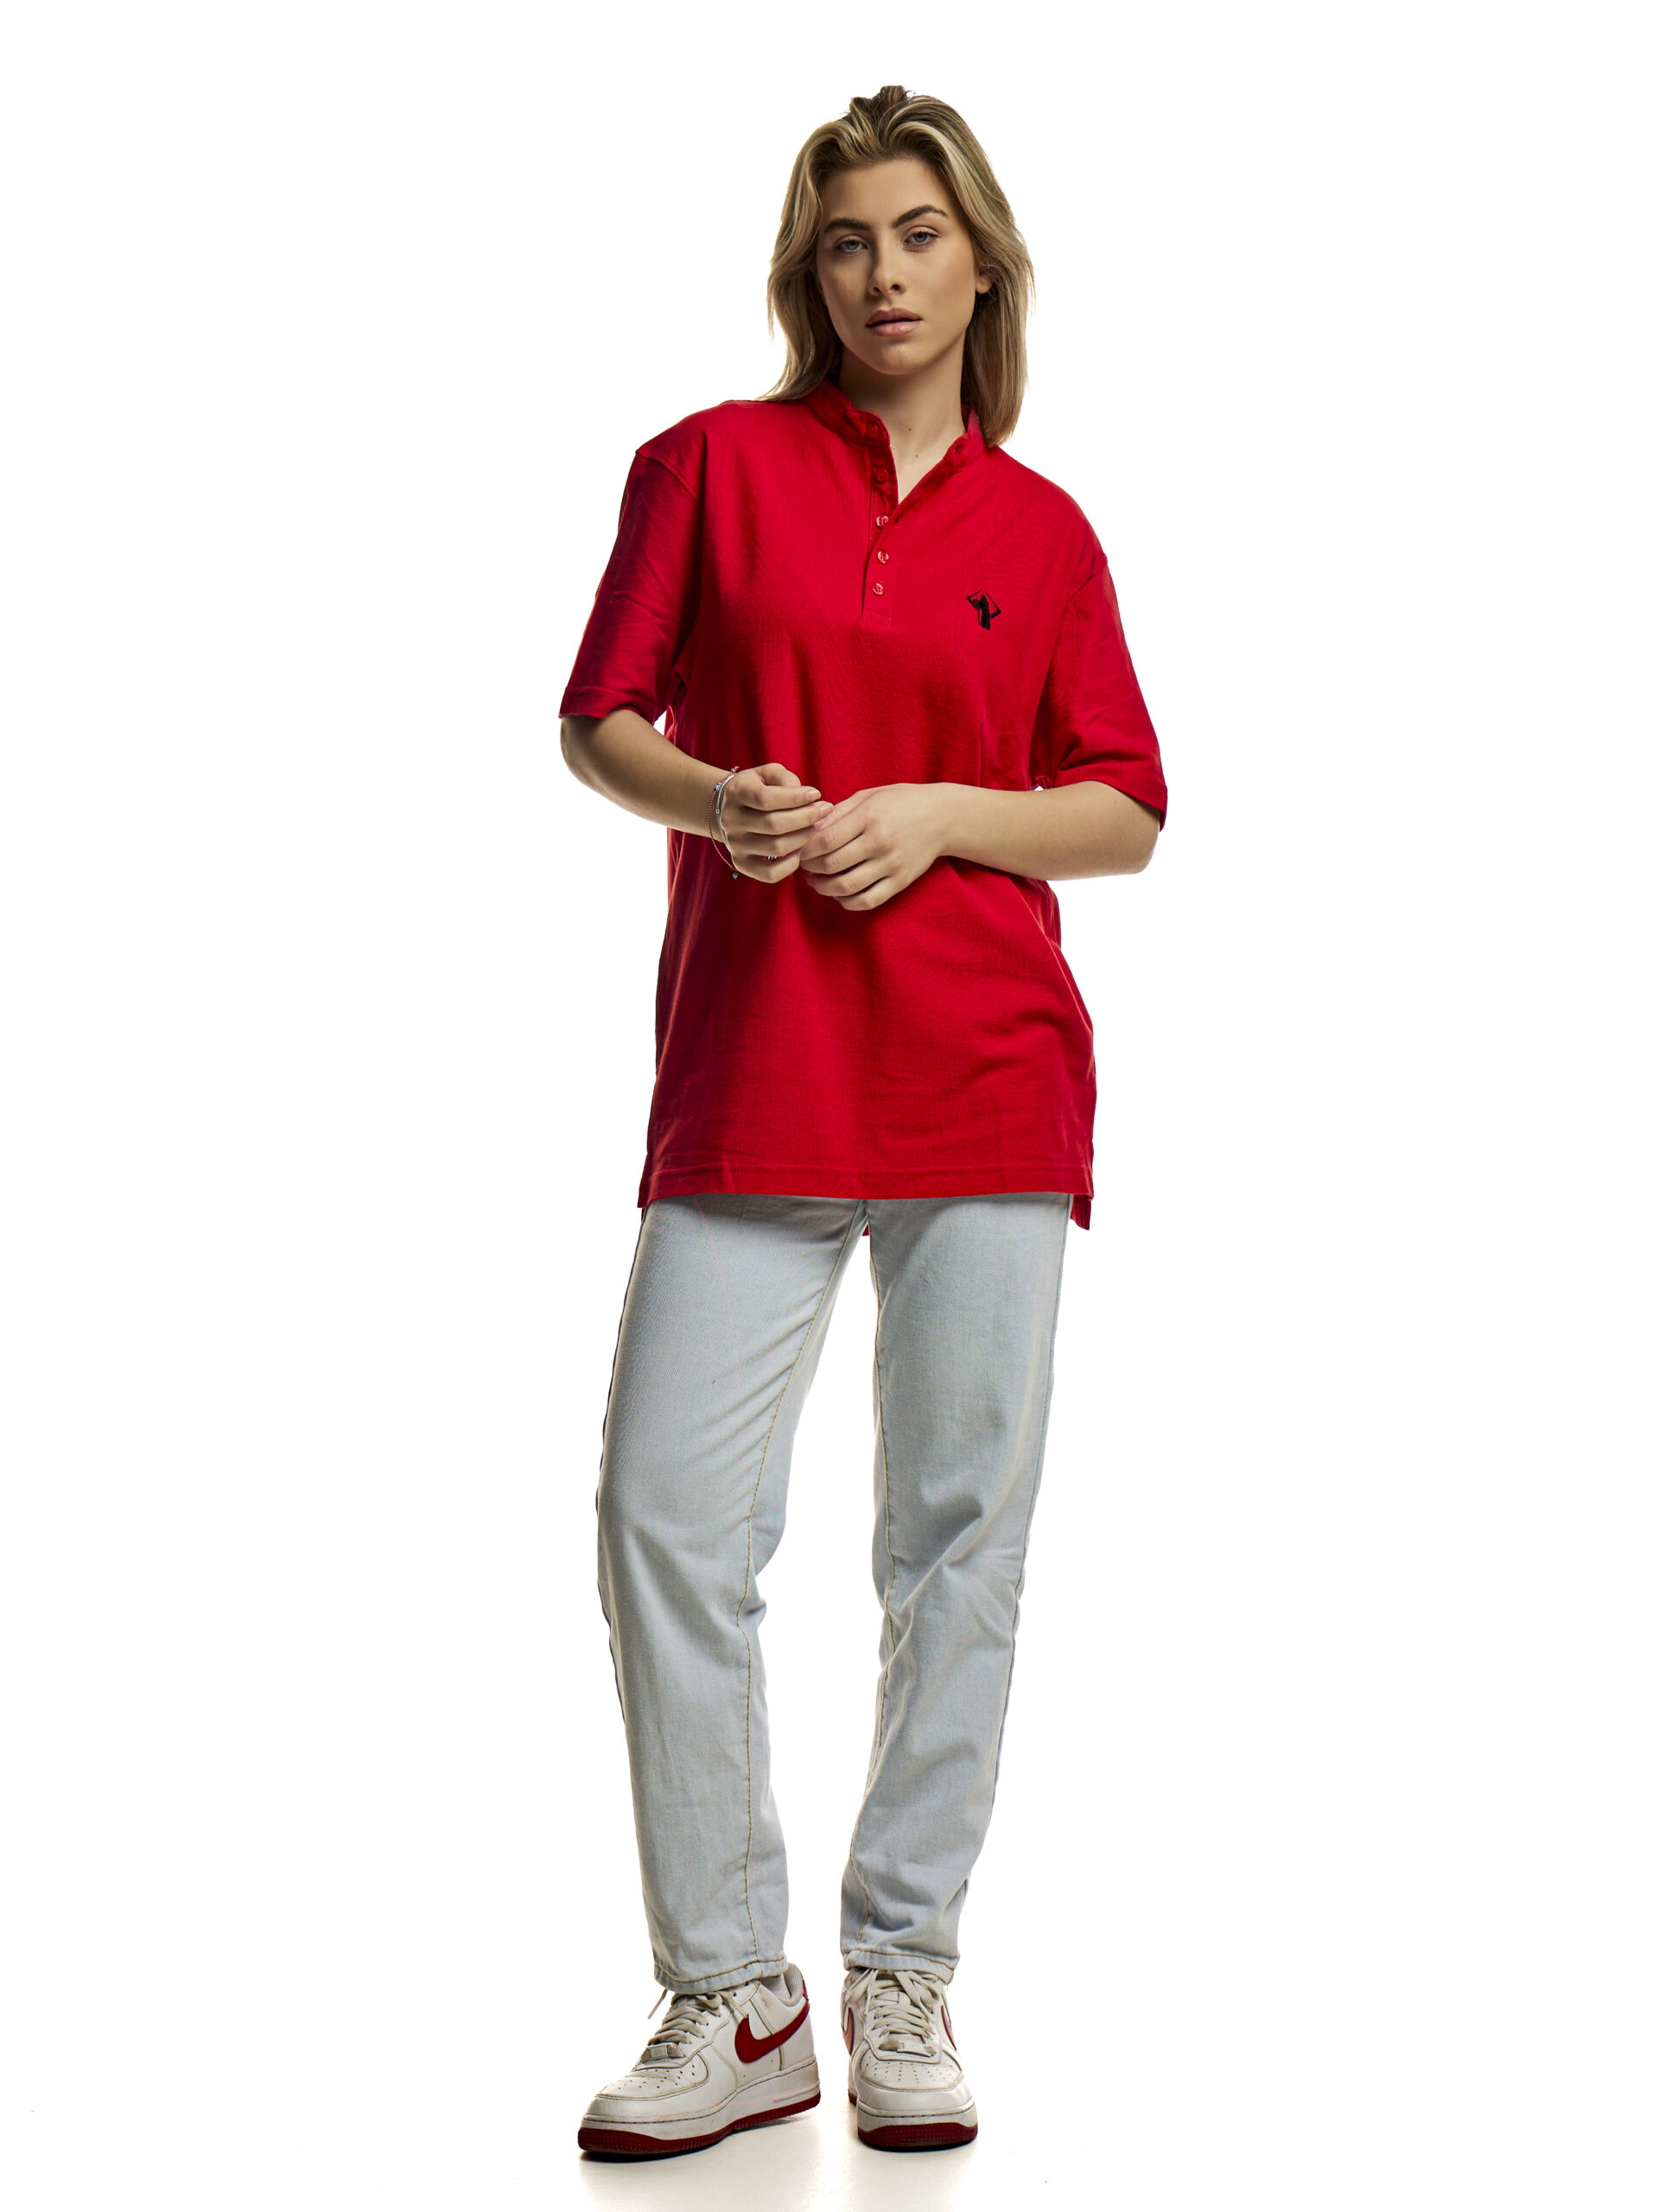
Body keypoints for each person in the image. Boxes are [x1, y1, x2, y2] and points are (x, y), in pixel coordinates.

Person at [557, 84, 1167, 2160]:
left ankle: (904, 1960)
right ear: (806, 274)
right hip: (759, 1068)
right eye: (847, 240)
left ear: (981, 264)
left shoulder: (1044, 531)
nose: (885, 273)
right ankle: (736, 1990)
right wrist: (712, 793)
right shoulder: (707, 469)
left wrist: (940, 814)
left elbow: (1124, 806)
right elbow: (600, 719)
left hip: (987, 1076)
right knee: (665, 1512)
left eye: (919, 234)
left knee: (956, 1538)